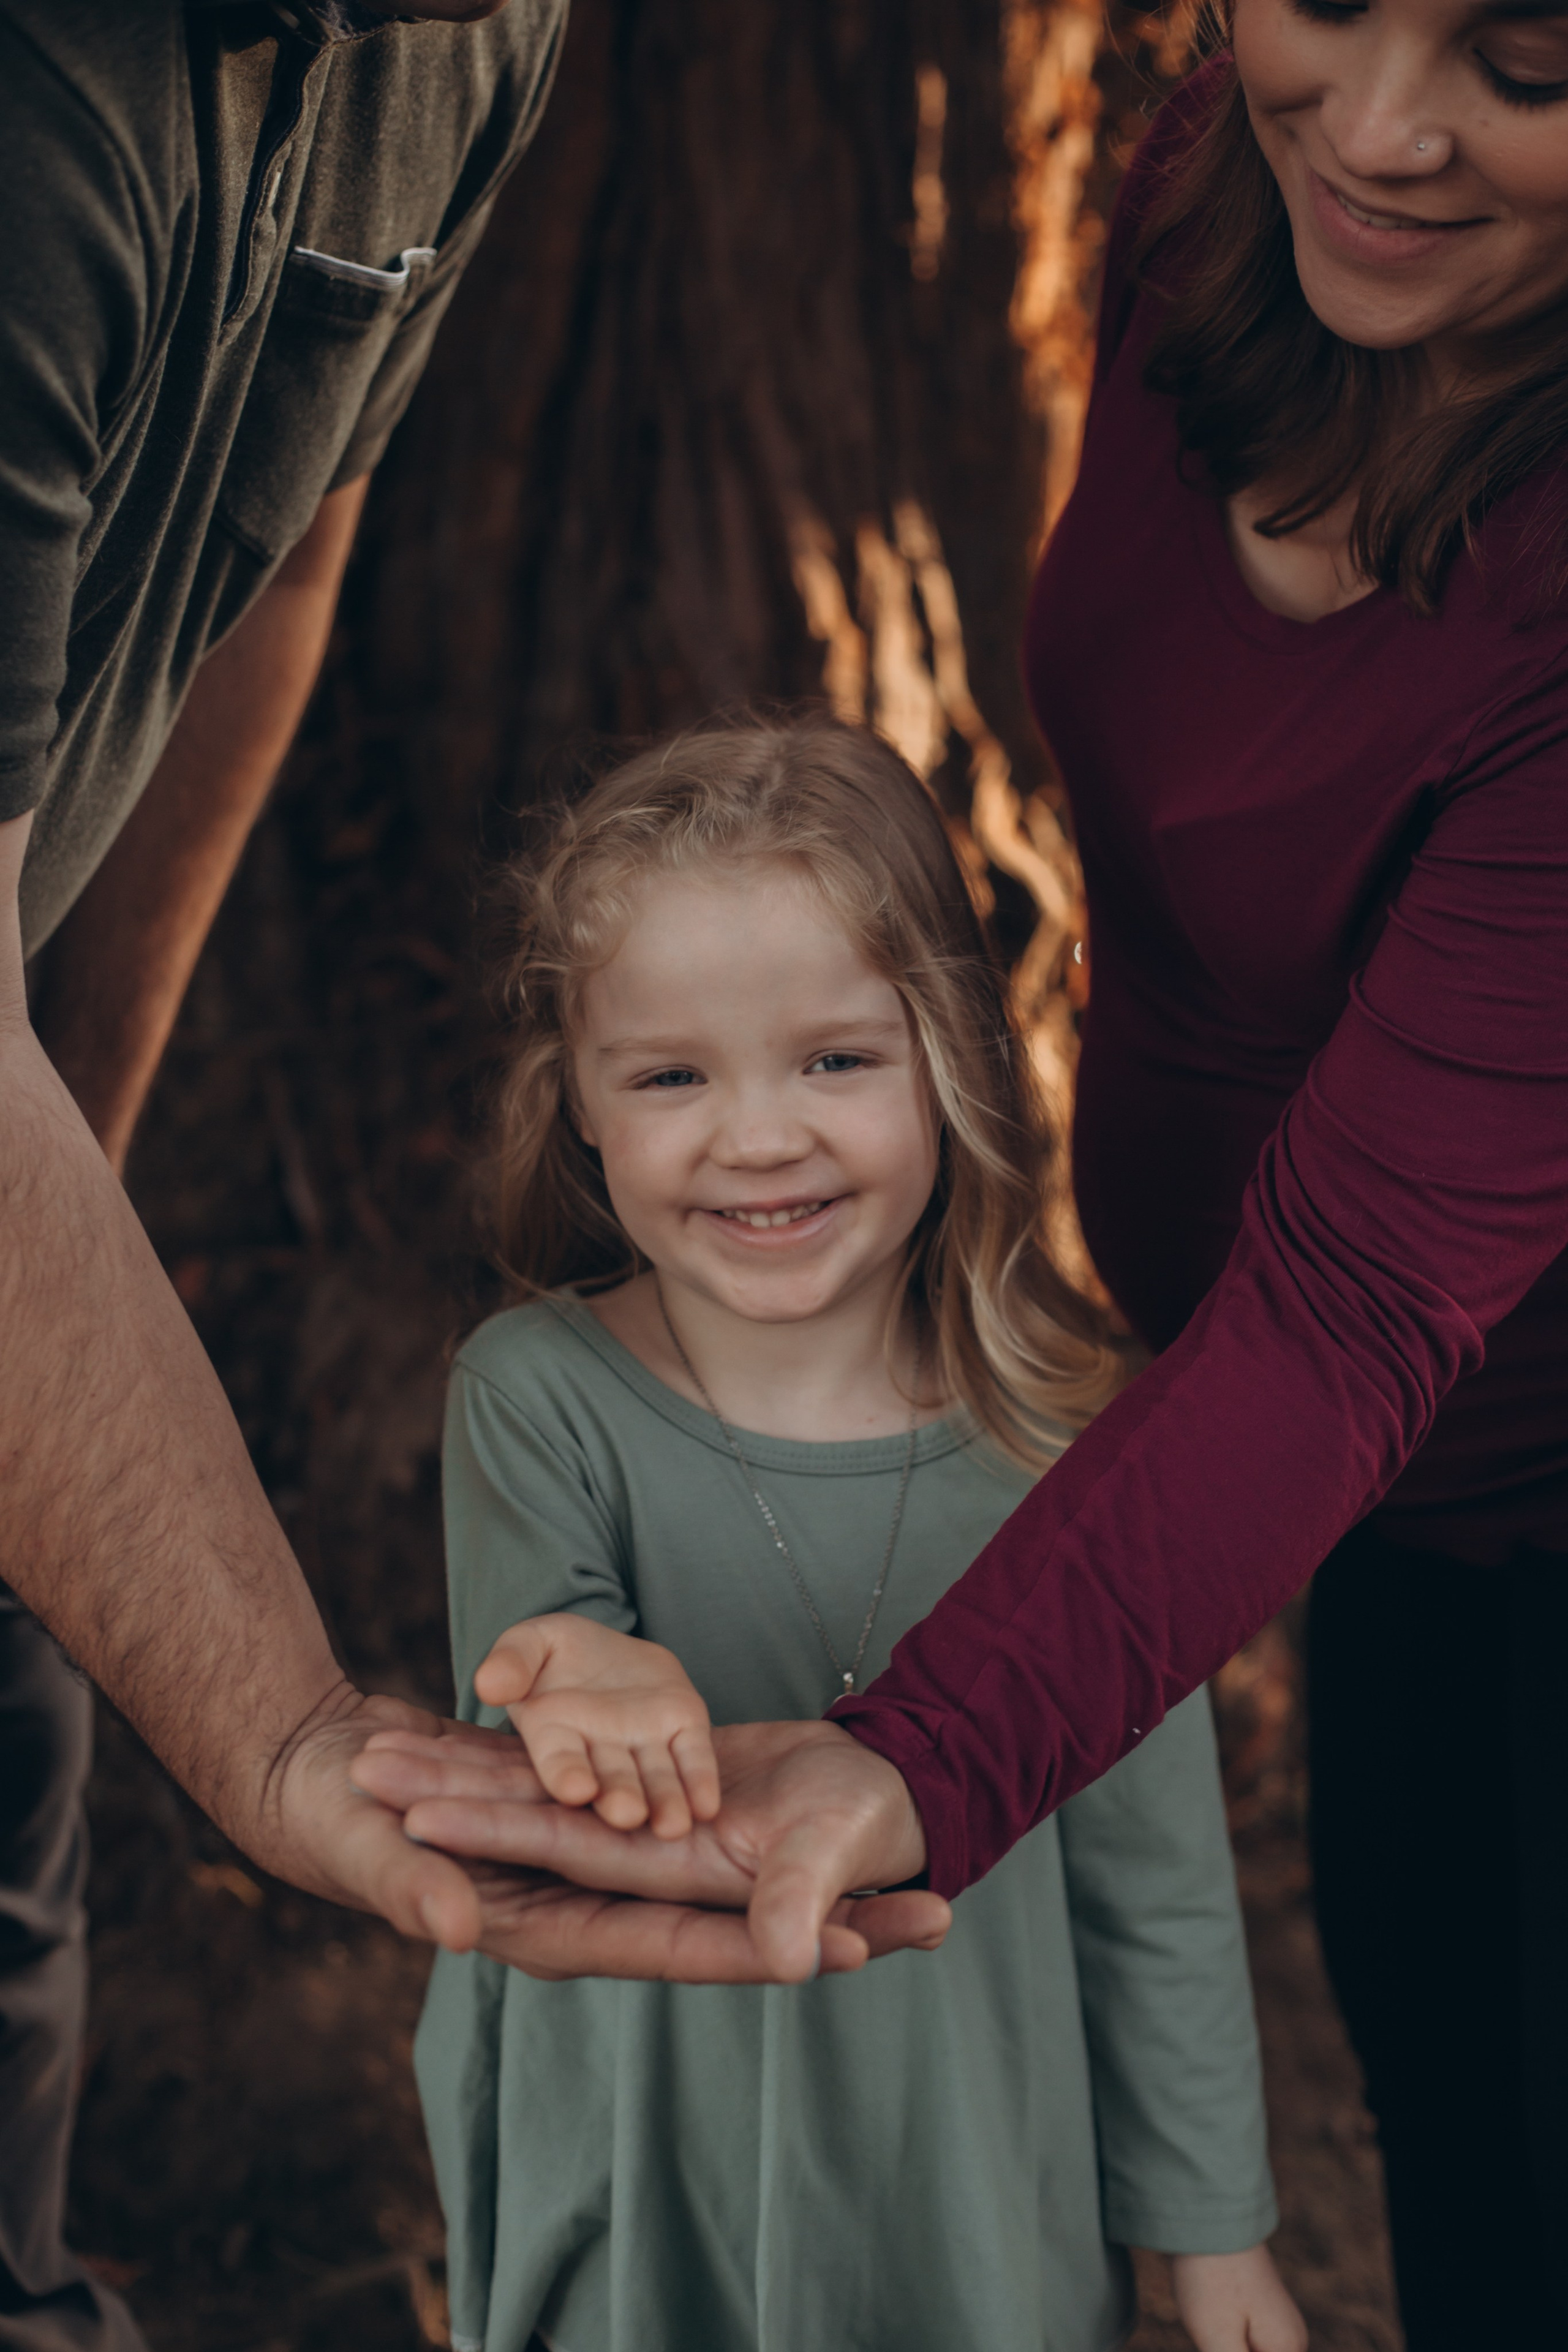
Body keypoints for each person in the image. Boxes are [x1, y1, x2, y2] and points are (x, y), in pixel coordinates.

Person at [357, 3, 1568, 2343]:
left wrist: (916, 1756)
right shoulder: (1223, 182)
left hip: (1502, 1460)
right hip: (1328, 1496)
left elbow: (1341, 1323)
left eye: (1525, 61)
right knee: (1446, 2065)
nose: (1385, 126)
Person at [405, 716, 1303, 2352]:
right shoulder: (537, 1397)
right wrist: (586, 1675)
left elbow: (1155, 1887)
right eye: (672, 1075)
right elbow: (541, 1630)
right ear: (583, 1110)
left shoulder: (1078, 1449)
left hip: (971, 2160)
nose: (760, 1137)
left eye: (834, 1059)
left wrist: (1208, 2227)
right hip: (644, 2146)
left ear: (952, 1060)